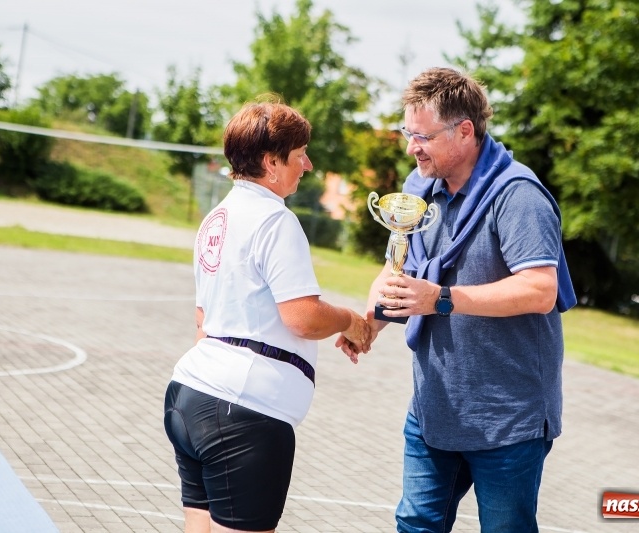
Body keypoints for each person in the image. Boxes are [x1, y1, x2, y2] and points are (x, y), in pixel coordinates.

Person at [341, 67, 577, 532]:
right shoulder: (417, 187)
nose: (412, 147)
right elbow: (399, 268)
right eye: (408, 133)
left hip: (508, 419)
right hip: (434, 410)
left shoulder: (518, 195)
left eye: (423, 136)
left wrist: (443, 299)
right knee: (415, 525)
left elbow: (540, 288)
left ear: (464, 131)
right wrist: (368, 321)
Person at [164, 98, 371, 533]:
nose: (309, 165)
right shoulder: (275, 221)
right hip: (243, 411)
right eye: (299, 155)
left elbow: (203, 320)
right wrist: (351, 320)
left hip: (190, 395)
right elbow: (303, 317)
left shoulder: (215, 218)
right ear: (270, 162)